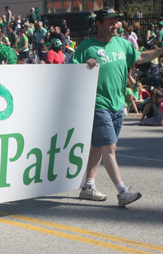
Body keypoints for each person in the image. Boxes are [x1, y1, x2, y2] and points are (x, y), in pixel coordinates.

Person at [69, 7, 163, 206]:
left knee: (98, 147)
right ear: (99, 24)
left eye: (116, 21)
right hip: (98, 103)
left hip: (118, 105)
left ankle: (88, 186)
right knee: (109, 147)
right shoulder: (86, 46)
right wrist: (84, 65)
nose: (115, 25)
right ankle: (122, 192)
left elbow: (139, 57)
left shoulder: (122, 44)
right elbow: (70, 70)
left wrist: (161, 50)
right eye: (111, 22)